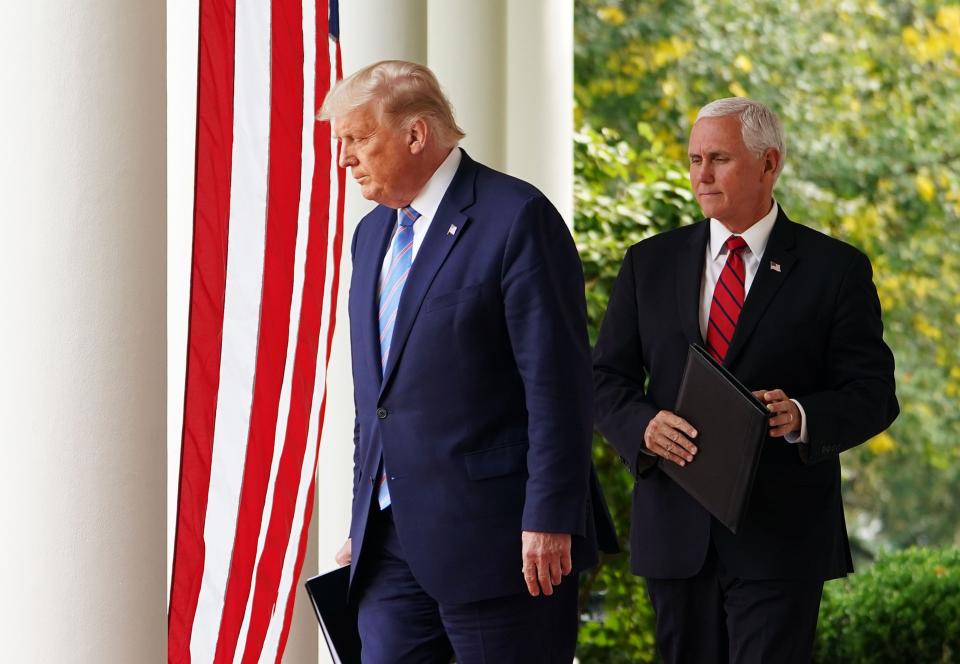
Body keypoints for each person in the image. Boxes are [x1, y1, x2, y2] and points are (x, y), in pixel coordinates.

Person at [318, 60, 615, 664]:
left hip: (502, 544)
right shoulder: (370, 236)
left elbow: (558, 385)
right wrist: (359, 516)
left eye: (358, 138)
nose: (344, 158)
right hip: (389, 548)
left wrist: (549, 516)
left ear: (416, 134)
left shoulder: (516, 217)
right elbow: (376, 397)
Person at [593, 97, 899, 663]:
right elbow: (603, 378)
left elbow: (875, 393)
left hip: (779, 538)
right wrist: (642, 426)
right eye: (693, 160)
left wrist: (802, 416)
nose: (701, 176)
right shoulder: (648, 263)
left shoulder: (836, 269)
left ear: (768, 163)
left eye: (718, 159)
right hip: (675, 535)